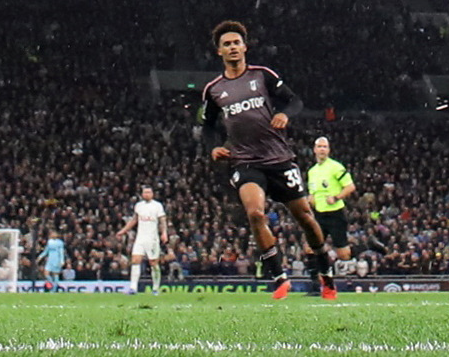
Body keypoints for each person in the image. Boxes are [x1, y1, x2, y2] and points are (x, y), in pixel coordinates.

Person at [198, 20, 334, 300]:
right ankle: (278, 276)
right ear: (219, 52)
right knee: (255, 214)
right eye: (227, 44)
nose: (233, 47)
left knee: (305, 218)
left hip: (279, 158)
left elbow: (294, 101)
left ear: (245, 47)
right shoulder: (214, 90)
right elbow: (208, 126)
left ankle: (325, 272)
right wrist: (213, 148)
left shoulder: (262, 76)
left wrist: (285, 113)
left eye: (237, 43)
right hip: (245, 161)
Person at [306, 136, 358, 271]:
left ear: (329, 150)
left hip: (335, 214)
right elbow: (312, 193)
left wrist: (336, 197)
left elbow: (350, 186)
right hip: (319, 215)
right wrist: (310, 200)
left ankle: (354, 269)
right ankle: (316, 286)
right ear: (314, 150)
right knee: (310, 249)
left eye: (325, 147)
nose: (322, 149)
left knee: (343, 254)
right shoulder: (312, 171)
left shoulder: (336, 167)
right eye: (319, 147)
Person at [112, 186, 170, 293]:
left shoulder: (157, 206)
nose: (147, 194)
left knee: (154, 264)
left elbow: (162, 220)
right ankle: (133, 287)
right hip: (140, 238)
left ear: (152, 194)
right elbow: (134, 220)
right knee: (135, 261)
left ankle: (155, 287)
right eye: (145, 192)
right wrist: (123, 231)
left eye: (149, 192)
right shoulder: (138, 206)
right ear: (142, 194)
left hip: (152, 239)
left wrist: (164, 233)